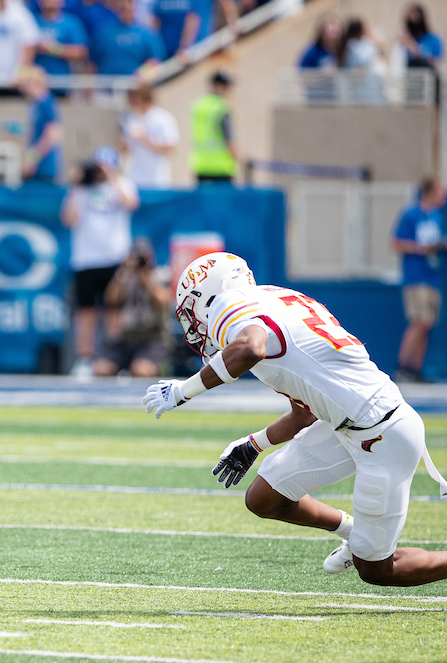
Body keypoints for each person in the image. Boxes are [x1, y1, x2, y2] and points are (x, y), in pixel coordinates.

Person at [144, 252, 447, 588]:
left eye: (193, 310)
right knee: (264, 496)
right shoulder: (271, 298)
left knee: (377, 570)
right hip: (350, 424)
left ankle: (366, 546)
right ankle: (351, 531)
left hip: (381, 434)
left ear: (211, 294)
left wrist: (183, 391)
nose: (195, 325)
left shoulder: (229, 306)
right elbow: (304, 413)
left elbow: (249, 349)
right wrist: (253, 443)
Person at [61, 146, 139, 378]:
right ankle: (85, 358)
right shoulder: (82, 190)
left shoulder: (122, 184)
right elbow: (68, 218)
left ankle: (115, 358)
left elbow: (131, 204)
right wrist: (75, 186)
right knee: (86, 312)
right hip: (86, 259)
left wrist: (112, 178)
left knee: (114, 311)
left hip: (114, 259)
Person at [392, 177, 444, 382]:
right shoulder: (411, 214)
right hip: (416, 276)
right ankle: (403, 366)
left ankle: (416, 369)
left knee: (428, 323)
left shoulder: (436, 216)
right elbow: (395, 242)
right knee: (419, 321)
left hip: (432, 276)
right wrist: (419, 249)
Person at [92, 239, 170, 376]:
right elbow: (111, 299)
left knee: (141, 370)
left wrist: (144, 276)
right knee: (101, 369)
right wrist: (123, 270)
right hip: (126, 337)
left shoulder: (160, 275)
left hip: (151, 338)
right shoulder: (125, 277)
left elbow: (162, 299)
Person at [120, 84, 178, 189]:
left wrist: (145, 139)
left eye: (136, 97)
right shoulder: (129, 118)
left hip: (156, 178)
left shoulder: (162, 118)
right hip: (133, 177)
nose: (133, 100)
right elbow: (123, 149)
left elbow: (170, 147)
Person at [89, 0, 165, 76]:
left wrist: (143, 73)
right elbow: (92, 62)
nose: (125, 6)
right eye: (122, 3)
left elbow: (156, 61)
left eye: (129, 2)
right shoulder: (103, 32)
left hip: (136, 84)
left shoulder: (148, 34)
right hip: (107, 83)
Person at [188, 70, 236, 184]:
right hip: (221, 168)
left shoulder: (198, 105)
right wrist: (236, 161)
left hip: (201, 166)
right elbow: (229, 139)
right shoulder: (221, 107)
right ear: (218, 86)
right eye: (227, 87)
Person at [153, 0, 238, 60]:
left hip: (199, 49)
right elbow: (155, 22)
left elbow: (193, 19)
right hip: (170, 54)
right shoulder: (159, 3)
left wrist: (233, 22)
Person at [32, 0, 89, 90]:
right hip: (35, 83)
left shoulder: (71, 24)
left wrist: (52, 48)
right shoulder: (31, 21)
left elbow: (81, 52)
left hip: (62, 82)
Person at [22, 66, 63, 182]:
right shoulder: (35, 104)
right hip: (38, 165)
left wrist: (32, 158)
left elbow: (52, 134)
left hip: (45, 166)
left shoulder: (46, 103)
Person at [400, 3, 443, 69]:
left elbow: (436, 62)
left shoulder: (433, 39)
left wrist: (413, 47)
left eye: (416, 18)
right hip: (409, 77)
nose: (413, 22)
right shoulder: (403, 42)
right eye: (410, 18)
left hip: (428, 76)